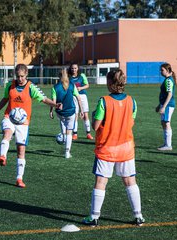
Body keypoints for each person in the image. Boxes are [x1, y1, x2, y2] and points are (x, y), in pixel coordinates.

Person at [82, 69, 145, 227]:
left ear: (110, 83)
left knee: (101, 182)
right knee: (130, 181)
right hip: (126, 148)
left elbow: (95, 126)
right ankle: (138, 216)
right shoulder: (132, 101)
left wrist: (94, 114)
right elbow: (131, 122)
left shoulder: (104, 101)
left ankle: (94, 217)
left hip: (107, 148)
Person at [0, 64, 62, 188]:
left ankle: (19, 179)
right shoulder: (10, 85)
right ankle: (3, 156)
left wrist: (55, 105)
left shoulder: (31, 87)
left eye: (22, 76)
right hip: (9, 117)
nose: (20, 79)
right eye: (18, 76)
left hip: (23, 123)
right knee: (7, 133)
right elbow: (5, 99)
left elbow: (44, 99)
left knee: (21, 150)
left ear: (26, 75)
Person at [50, 68, 84, 159]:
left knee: (62, 123)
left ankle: (63, 135)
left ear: (59, 76)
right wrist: (82, 110)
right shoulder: (72, 85)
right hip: (70, 112)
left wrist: (50, 111)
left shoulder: (55, 87)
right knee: (70, 132)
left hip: (60, 112)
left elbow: (53, 101)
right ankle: (67, 152)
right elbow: (78, 98)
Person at [69, 63, 93, 140]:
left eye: (75, 68)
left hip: (82, 96)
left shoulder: (82, 75)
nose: (74, 70)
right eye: (72, 68)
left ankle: (88, 133)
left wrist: (81, 88)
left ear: (78, 69)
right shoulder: (69, 77)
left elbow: (87, 85)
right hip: (73, 97)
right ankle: (75, 134)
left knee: (85, 115)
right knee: (75, 115)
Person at [155, 63, 176, 151]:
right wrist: (159, 105)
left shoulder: (168, 80)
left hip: (168, 105)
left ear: (167, 70)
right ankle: (166, 144)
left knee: (166, 123)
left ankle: (168, 145)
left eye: (162, 70)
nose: (160, 71)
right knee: (164, 123)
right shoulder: (167, 79)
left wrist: (164, 106)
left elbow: (170, 94)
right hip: (165, 105)